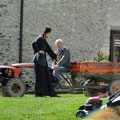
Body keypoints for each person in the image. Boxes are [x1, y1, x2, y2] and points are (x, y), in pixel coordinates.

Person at [32, 27, 59, 97]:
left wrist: (55, 56)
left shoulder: (43, 40)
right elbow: (33, 43)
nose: (49, 35)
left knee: (44, 77)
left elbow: (48, 49)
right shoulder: (40, 38)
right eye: (49, 34)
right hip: (38, 60)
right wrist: (38, 50)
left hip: (42, 61)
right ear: (47, 33)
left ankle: (43, 93)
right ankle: (38, 93)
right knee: (40, 77)